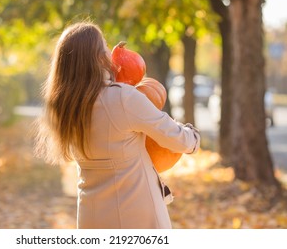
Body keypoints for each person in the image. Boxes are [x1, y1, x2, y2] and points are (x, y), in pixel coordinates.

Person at [35, 21, 200, 229]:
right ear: (97, 57)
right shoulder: (122, 97)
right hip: (137, 214)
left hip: (91, 216)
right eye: (105, 46)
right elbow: (177, 139)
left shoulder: (63, 107)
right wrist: (193, 136)